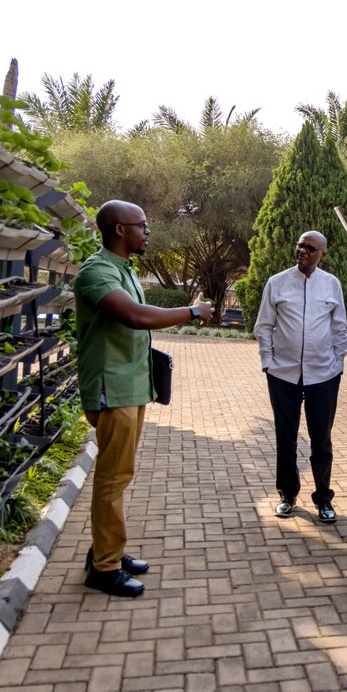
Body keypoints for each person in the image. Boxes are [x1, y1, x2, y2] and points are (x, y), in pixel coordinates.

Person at [74, 200, 214, 597]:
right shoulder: (97, 271)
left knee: (120, 476)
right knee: (112, 479)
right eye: (142, 225)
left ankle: (107, 552)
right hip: (111, 388)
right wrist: (191, 311)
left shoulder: (123, 270)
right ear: (119, 229)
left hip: (131, 387)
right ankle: (103, 569)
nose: (148, 231)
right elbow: (135, 316)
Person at [255, 231, 347, 524]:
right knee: (286, 437)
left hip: (323, 375)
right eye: (299, 246)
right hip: (283, 374)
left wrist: (337, 364)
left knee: (322, 439)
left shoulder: (331, 284)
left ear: (322, 253)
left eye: (310, 248)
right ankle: (287, 495)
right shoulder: (277, 282)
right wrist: (268, 362)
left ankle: (323, 499)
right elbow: (264, 325)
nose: (302, 251)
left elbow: (339, 328)